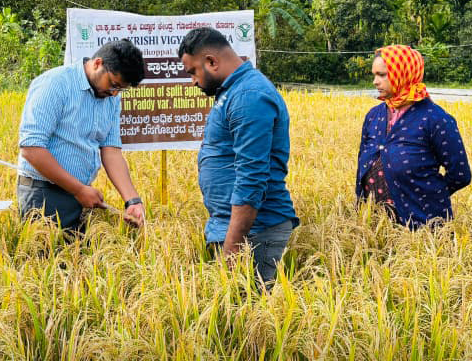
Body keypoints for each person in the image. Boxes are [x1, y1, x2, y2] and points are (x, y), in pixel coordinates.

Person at [177, 27, 299, 288]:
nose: (193, 81)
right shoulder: (233, 91)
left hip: (255, 233)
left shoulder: (248, 96)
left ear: (211, 61)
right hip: (238, 230)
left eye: (193, 72)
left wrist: (233, 248)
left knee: (251, 318)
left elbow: (251, 178)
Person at [17, 39, 147, 233]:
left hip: (80, 195)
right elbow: (31, 148)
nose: (114, 93)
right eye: (113, 84)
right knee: (47, 260)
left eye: (120, 89)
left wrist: (132, 200)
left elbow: (111, 151)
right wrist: (77, 189)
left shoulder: (111, 98)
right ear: (97, 64)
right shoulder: (55, 84)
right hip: (44, 194)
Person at [356, 44, 471, 229]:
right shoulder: (373, 116)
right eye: (374, 75)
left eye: (382, 75)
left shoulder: (436, 119)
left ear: (403, 74)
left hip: (419, 229)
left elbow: (460, 175)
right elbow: (362, 161)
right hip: (374, 226)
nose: (375, 82)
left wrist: (428, 194)